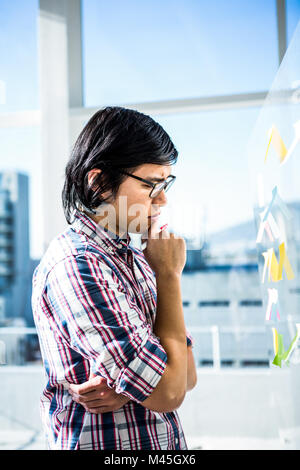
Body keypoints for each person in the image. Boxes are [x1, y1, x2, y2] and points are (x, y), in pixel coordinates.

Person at [31, 106, 197, 450]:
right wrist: (168, 276)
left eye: (166, 184)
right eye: (151, 185)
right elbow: (168, 392)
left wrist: (130, 388)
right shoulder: (78, 265)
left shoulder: (136, 256)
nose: (163, 199)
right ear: (101, 182)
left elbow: (186, 376)